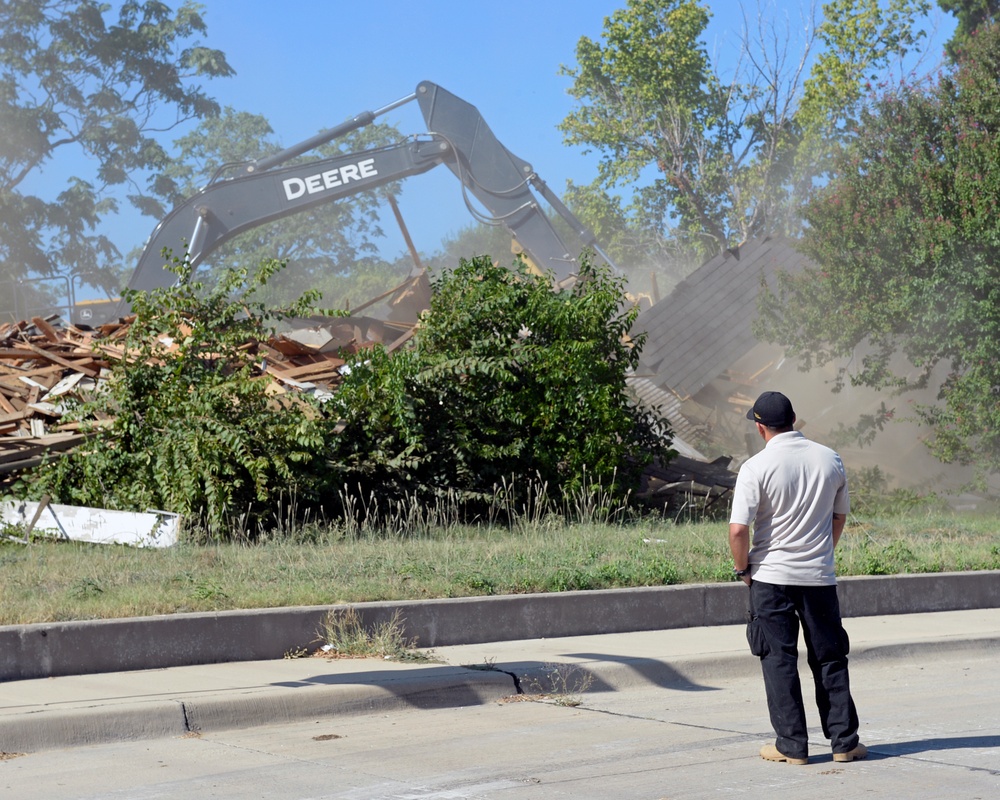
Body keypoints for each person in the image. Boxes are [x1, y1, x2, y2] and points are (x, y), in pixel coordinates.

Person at [728, 390, 867, 765]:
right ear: (793, 420)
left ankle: (791, 746)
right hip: (818, 578)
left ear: (760, 428)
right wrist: (822, 553)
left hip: (771, 578)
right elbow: (839, 517)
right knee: (829, 657)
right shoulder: (829, 458)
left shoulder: (755, 467)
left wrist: (743, 570)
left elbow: (739, 529)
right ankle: (844, 742)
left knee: (779, 659)